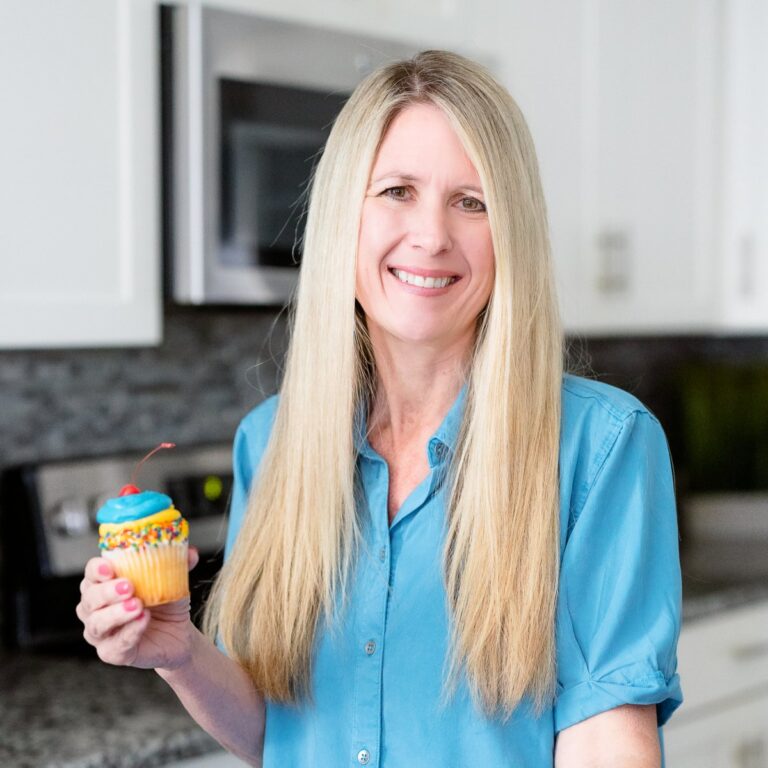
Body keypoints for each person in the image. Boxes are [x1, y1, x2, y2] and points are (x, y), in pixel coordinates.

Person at [76, 50, 683, 766]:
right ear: (345, 216)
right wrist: (179, 652)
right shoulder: (270, 444)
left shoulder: (601, 447)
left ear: (511, 233)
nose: (431, 235)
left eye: (472, 201)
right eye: (397, 191)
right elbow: (282, 731)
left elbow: (609, 737)